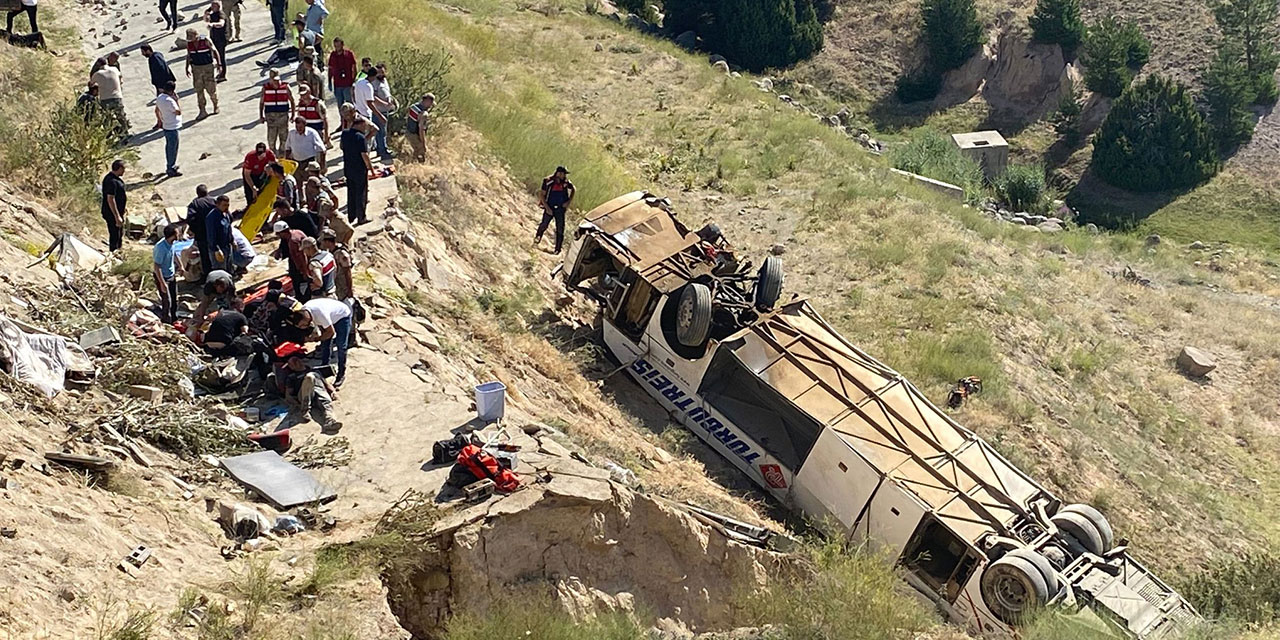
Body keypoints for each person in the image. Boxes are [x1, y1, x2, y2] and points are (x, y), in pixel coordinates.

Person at [291, 297, 351, 387]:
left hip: (342, 316)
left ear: (306, 319)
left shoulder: (320, 315)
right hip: (329, 315)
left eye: (303, 325)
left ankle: (341, 373)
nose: (303, 327)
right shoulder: (304, 311)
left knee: (341, 345)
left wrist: (317, 339)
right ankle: (324, 367)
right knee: (325, 344)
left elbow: (331, 332)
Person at [281, 355, 341, 431]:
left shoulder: (314, 370)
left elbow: (325, 383)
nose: (297, 363)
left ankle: (330, 422)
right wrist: (296, 404)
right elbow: (288, 395)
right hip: (304, 396)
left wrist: (333, 392)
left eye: (296, 361)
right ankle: (305, 410)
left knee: (326, 404)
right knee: (310, 377)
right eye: (293, 363)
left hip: (318, 393)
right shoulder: (292, 377)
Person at [535, 165, 575, 253]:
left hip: (560, 208)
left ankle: (557, 250)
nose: (564, 176)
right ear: (558, 173)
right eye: (563, 174)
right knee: (544, 224)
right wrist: (547, 207)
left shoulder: (565, 182)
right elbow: (542, 194)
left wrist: (568, 202)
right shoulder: (548, 181)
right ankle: (537, 240)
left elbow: (573, 189)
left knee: (560, 229)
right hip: (549, 206)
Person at [341, 118, 373, 225]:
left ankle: (351, 216)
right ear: (359, 125)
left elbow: (342, 147)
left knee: (351, 192)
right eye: (364, 126)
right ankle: (361, 217)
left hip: (348, 168)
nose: (365, 129)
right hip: (359, 170)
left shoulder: (345, 134)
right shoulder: (360, 137)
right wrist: (371, 169)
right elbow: (364, 155)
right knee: (361, 194)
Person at [185, 29, 220, 118]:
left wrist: (219, 64)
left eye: (192, 37)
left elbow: (215, 51)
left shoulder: (205, 40)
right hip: (196, 68)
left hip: (207, 67)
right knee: (199, 90)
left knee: (211, 89)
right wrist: (187, 67)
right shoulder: (189, 44)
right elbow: (189, 55)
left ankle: (215, 105)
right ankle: (202, 110)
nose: (191, 39)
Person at [184, 184, 218, 277]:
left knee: (205, 256)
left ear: (197, 193)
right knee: (218, 253)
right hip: (216, 234)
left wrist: (196, 230)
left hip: (202, 235)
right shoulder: (214, 201)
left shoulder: (194, 204)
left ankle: (209, 276)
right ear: (207, 192)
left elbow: (190, 219)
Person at [90, 57, 128, 138]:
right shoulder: (114, 69)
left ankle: (109, 134)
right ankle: (125, 133)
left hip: (105, 98)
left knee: (107, 118)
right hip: (117, 96)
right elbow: (121, 78)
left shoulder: (97, 74)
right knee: (120, 116)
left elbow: (91, 83)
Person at [259, 70, 294, 154]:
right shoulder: (265, 88)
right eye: (274, 80)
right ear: (270, 79)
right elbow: (261, 103)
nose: (276, 82)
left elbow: (292, 101)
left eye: (278, 80)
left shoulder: (285, 87)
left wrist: (293, 114)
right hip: (271, 117)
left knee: (284, 136)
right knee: (271, 137)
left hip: (283, 116)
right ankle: (272, 153)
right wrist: (261, 116)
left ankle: (283, 152)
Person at [273, 221, 310, 297]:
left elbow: (302, 257)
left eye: (278, 234)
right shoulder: (297, 232)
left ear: (282, 233)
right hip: (307, 260)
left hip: (302, 266)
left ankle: (302, 298)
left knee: (300, 284)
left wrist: (304, 272)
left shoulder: (293, 242)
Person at [154, 81, 182, 177]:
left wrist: (159, 120)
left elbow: (157, 110)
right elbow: (178, 112)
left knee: (169, 147)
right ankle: (171, 168)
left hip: (166, 125)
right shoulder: (169, 101)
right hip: (172, 126)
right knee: (173, 148)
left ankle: (171, 165)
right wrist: (176, 100)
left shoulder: (159, 98)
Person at [152, 224, 180, 322]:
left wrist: (181, 266)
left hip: (171, 275)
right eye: (177, 232)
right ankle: (166, 321)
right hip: (163, 277)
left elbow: (174, 254)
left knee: (174, 299)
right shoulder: (161, 248)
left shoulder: (171, 244)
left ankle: (174, 319)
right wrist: (162, 283)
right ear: (172, 235)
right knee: (167, 302)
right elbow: (157, 266)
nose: (179, 234)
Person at [368, 64, 396, 158]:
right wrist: (385, 103)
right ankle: (382, 151)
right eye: (379, 72)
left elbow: (387, 93)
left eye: (383, 72)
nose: (381, 74)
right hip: (378, 111)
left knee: (383, 131)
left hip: (385, 110)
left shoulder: (384, 80)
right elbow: (373, 97)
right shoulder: (374, 83)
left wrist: (390, 101)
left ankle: (382, 149)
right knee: (380, 132)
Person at [101, 159, 127, 252]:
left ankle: (118, 252)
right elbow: (110, 199)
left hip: (117, 212)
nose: (124, 171)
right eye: (123, 169)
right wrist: (117, 216)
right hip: (111, 213)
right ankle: (114, 254)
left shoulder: (116, 179)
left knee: (119, 234)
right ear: (119, 168)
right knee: (115, 236)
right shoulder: (111, 181)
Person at [321, 229, 354, 301]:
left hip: (342, 285)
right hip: (336, 283)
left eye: (323, 241)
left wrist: (349, 290)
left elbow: (347, 272)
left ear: (328, 242)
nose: (322, 243)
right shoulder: (330, 251)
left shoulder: (341, 253)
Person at [242, 142, 276, 207]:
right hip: (251, 174)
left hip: (262, 172)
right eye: (258, 154)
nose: (259, 156)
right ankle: (250, 206)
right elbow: (247, 174)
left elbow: (275, 165)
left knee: (262, 190)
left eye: (261, 154)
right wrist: (252, 188)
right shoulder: (250, 157)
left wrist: (270, 170)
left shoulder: (270, 154)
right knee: (250, 193)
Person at [206, 195, 234, 273]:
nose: (227, 207)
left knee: (229, 269)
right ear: (217, 205)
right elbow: (211, 235)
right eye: (224, 205)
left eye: (228, 205)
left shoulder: (226, 214)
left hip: (227, 246)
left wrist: (232, 240)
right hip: (218, 249)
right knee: (220, 272)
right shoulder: (211, 217)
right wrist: (216, 250)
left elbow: (229, 228)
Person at [327, 37, 355, 107]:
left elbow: (354, 67)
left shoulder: (349, 54)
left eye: (338, 46)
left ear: (342, 45)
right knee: (340, 104)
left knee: (349, 104)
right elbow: (330, 68)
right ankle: (342, 117)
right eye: (335, 46)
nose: (337, 48)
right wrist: (329, 81)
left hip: (348, 83)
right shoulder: (333, 55)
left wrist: (354, 80)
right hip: (337, 84)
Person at [204, 2, 228, 82]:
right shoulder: (212, 14)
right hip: (213, 38)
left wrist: (213, 24)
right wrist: (206, 13)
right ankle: (219, 71)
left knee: (221, 57)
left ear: (218, 6)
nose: (212, 7)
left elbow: (221, 23)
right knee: (215, 56)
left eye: (213, 6)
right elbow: (206, 20)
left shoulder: (221, 14)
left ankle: (223, 74)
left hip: (220, 38)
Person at [406, 93, 433, 162]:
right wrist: (423, 143)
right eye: (431, 103)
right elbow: (421, 129)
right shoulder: (424, 114)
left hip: (408, 132)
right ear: (427, 101)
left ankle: (412, 161)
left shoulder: (413, 106)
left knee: (416, 150)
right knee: (421, 151)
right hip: (415, 134)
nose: (431, 106)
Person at [303, 0, 328, 67]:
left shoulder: (317, 6)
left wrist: (320, 18)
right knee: (313, 48)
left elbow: (325, 13)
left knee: (317, 48)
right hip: (311, 30)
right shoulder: (310, 7)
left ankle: (320, 65)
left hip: (316, 30)